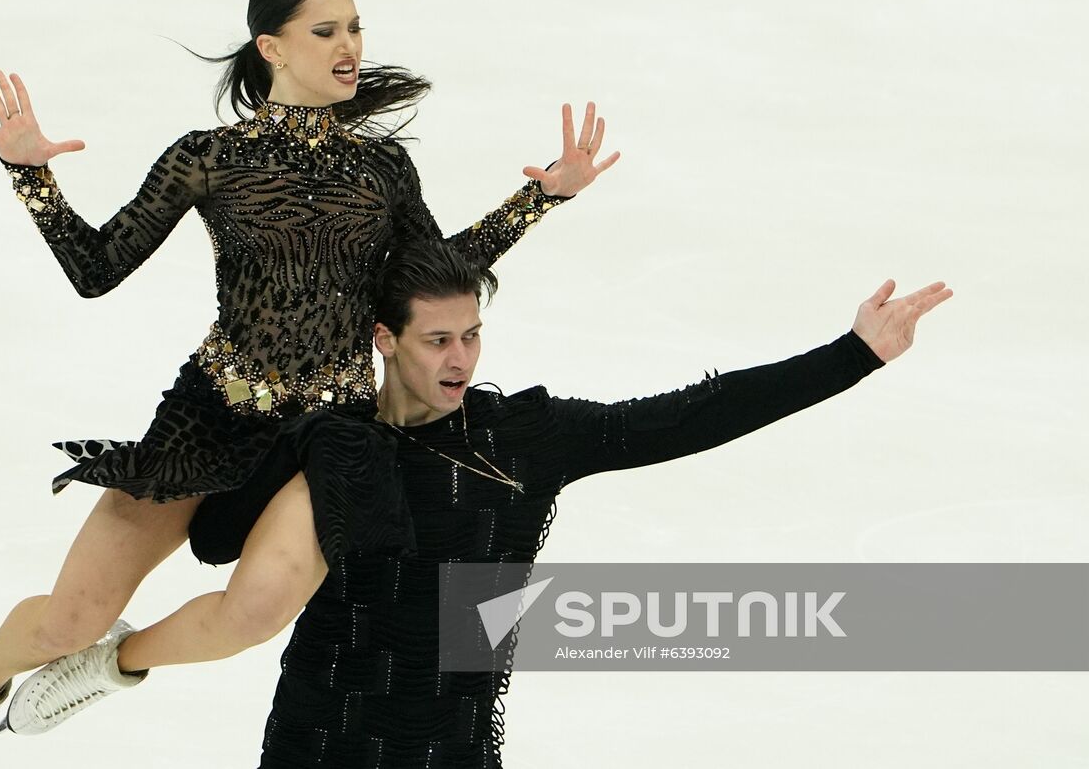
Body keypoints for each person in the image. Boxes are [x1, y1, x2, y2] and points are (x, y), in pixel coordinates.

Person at [0, 0, 620, 759]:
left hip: (332, 431)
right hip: (211, 416)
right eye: (326, 30)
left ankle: (114, 665)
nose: (350, 47)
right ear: (271, 46)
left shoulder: (383, 170)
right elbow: (96, 269)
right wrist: (31, 175)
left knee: (257, 610)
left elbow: (435, 275)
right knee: (70, 617)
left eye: (355, 27)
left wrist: (544, 196)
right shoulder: (209, 157)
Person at [172, 240, 945, 766]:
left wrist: (852, 356)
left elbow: (688, 416)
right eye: (438, 339)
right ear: (384, 337)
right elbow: (212, 535)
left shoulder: (523, 440)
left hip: (455, 746)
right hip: (319, 738)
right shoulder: (330, 442)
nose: (462, 359)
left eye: (471, 335)